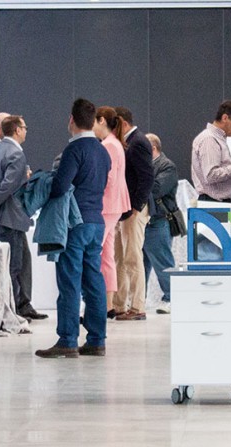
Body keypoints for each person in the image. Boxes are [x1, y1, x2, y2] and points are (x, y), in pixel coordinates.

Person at [36, 98, 111, 358]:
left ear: (71, 120)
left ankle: (67, 340)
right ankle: (97, 339)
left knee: (69, 281)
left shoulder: (74, 151)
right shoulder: (103, 151)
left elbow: (59, 187)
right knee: (94, 281)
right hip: (96, 222)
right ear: (94, 121)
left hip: (74, 222)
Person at [0, 115, 45, 321]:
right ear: (17, 130)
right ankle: (9, 314)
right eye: (24, 127)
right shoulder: (16, 154)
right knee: (11, 268)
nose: (26, 131)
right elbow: (8, 185)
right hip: (8, 219)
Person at [112, 107, 154, 321]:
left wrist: (136, 207)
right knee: (120, 258)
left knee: (132, 258)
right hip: (124, 209)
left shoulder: (139, 142)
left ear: (121, 122)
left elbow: (147, 177)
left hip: (133, 210)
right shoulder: (130, 141)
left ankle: (137, 307)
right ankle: (120, 305)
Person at [93, 106, 131, 319]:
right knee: (106, 255)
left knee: (97, 254)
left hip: (106, 204)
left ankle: (100, 304)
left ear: (101, 121)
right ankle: (107, 305)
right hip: (114, 204)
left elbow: (107, 178)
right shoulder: (115, 144)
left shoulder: (108, 145)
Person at [142, 133, 177, 315]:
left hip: (158, 221)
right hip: (144, 222)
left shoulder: (167, 167)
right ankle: (139, 299)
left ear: (153, 148)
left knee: (163, 262)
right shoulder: (149, 167)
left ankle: (172, 298)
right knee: (141, 264)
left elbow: (156, 190)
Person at [191, 100, 231, 202]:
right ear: (225, 118)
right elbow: (211, 175)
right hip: (214, 204)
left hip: (217, 203)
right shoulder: (209, 139)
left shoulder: (216, 138)